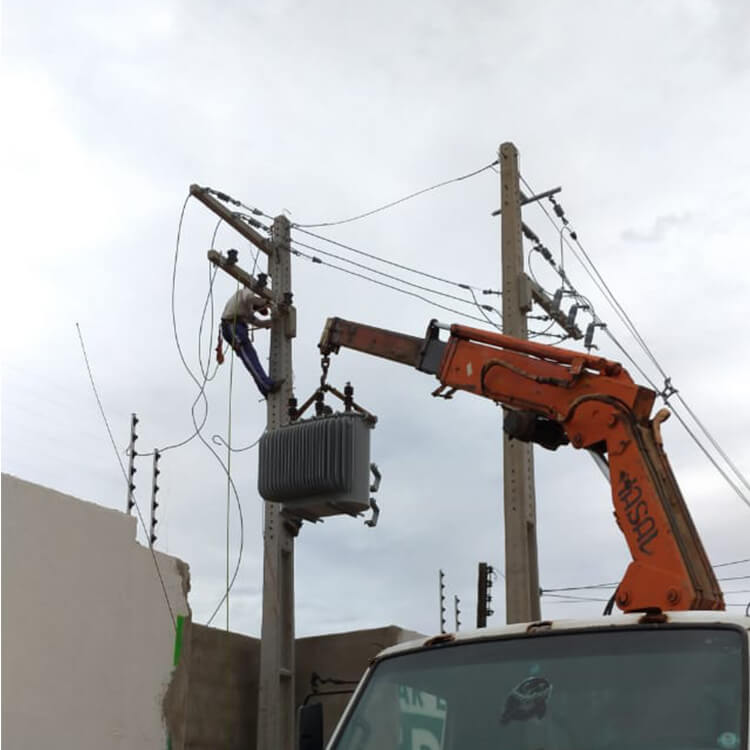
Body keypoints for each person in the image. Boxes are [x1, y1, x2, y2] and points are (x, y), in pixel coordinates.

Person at [220, 288, 281, 397]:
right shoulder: (247, 291)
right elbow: (249, 298)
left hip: (236, 326)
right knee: (249, 357)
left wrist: (273, 322)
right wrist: (266, 302)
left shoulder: (247, 310)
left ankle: (265, 388)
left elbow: (257, 322)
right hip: (232, 325)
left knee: (251, 358)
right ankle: (267, 386)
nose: (257, 310)